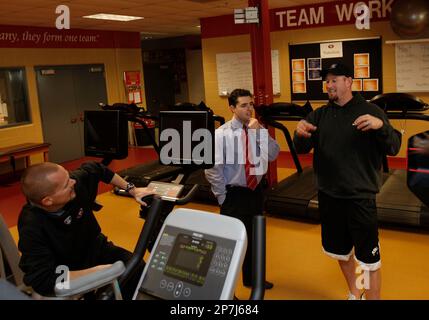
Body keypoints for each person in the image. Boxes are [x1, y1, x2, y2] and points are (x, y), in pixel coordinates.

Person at [293, 63, 402, 300]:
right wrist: (299, 133)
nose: (329, 85)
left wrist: (380, 126)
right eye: (327, 81)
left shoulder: (371, 111)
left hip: (359, 198)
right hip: (329, 196)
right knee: (340, 252)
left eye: (334, 80)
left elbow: (394, 146)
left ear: (349, 81)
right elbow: (301, 148)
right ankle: (355, 293)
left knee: (368, 259)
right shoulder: (320, 115)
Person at [18, 161, 153, 299]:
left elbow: (97, 169)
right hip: (63, 268)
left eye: (68, 177)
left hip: (94, 247)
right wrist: (95, 272)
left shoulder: (75, 184)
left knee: (136, 267)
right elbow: (43, 279)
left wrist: (133, 190)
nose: (73, 182)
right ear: (48, 201)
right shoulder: (31, 225)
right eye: (66, 184)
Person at [205, 88, 280, 289]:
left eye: (251, 104)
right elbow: (212, 168)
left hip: (255, 192)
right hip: (234, 194)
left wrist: (259, 133)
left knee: (255, 239)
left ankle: (252, 279)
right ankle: (221, 288)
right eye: (244, 105)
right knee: (230, 244)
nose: (249, 109)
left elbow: (274, 154)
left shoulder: (258, 130)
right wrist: (222, 197)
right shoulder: (220, 135)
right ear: (232, 108)